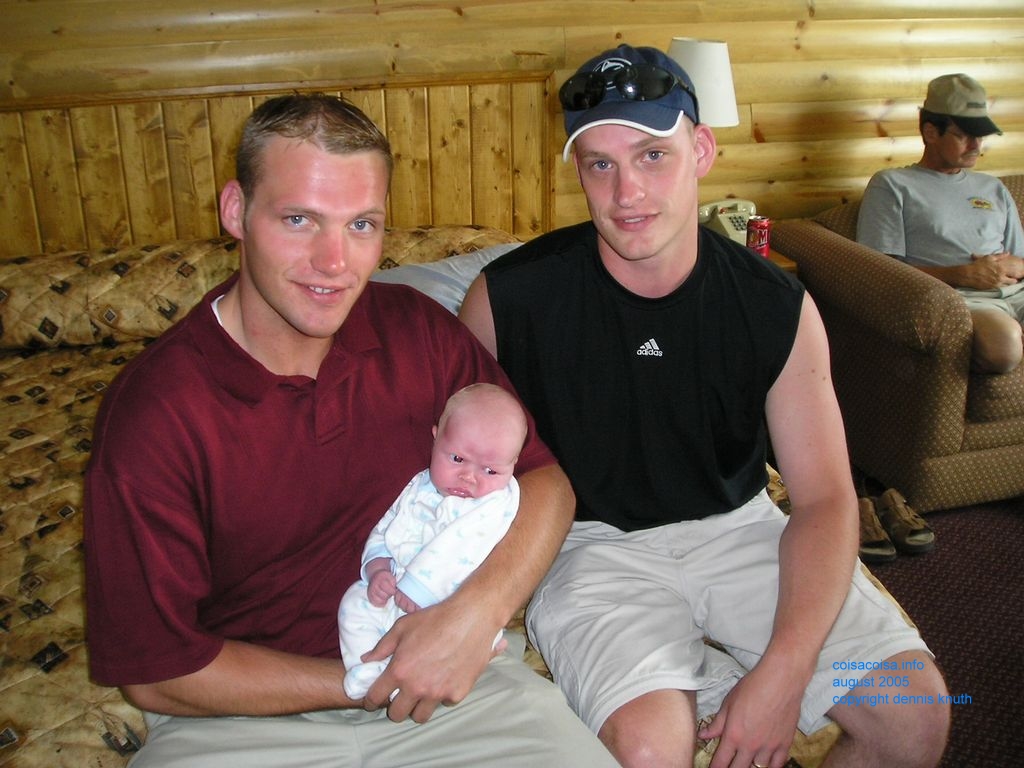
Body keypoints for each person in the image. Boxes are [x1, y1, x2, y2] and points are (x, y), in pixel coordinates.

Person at [83, 93, 616, 768]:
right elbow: (156, 672)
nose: (335, 262)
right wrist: (367, 680)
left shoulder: (418, 330)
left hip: (455, 690)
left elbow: (545, 482)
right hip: (237, 719)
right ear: (235, 212)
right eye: (300, 219)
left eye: (362, 224)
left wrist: (473, 617)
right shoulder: (155, 414)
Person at [459, 44, 950, 768]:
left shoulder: (774, 303)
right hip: (592, 548)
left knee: (917, 716)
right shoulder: (508, 300)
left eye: (653, 156)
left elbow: (823, 499)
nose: (627, 192)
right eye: (600, 163)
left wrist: (784, 673)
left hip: (740, 529)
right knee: (655, 751)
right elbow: (452, 468)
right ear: (579, 174)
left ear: (703, 150)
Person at [339, 383, 527, 699]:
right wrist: (378, 568)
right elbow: (388, 528)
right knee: (354, 605)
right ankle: (368, 667)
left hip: (449, 604)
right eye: (457, 458)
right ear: (435, 436)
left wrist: (418, 590)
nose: (470, 477)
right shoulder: (419, 486)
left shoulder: (497, 502)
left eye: (491, 470)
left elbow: (460, 544)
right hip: (396, 588)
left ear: (513, 465)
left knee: (471, 640)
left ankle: (410, 683)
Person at [856, 73, 1024, 373]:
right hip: (965, 302)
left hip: (1016, 293)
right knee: (1004, 346)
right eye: (964, 135)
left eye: (980, 135)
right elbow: (879, 273)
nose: (976, 145)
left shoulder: (992, 188)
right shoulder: (893, 185)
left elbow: (1020, 257)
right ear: (930, 131)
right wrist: (963, 275)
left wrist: (1014, 267)